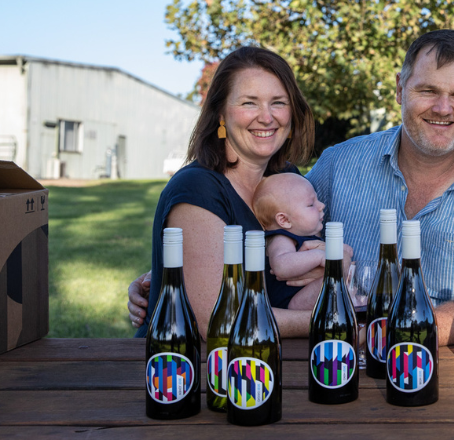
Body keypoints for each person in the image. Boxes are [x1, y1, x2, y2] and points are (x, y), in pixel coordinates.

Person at [305, 29, 454, 345]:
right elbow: (287, 243)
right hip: (340, 363)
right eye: (428, 90)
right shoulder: (338, 165)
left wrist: (393, 339)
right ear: (400, 88)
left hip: (444, 371)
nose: (443, 108)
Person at [128, 46, 320, 338]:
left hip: (265, 365)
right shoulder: (197, 188)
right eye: (249, 103)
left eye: (278, 103)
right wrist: (332, 321)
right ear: (220, 112)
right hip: (194, 371)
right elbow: (219, 320)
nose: (267, 117)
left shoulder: (287, 179)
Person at [251, 172, 353, 310]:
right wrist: (320, 256)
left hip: (307, 298)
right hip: (292, 303)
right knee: (334, 276)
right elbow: (281, 266)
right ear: (284, 220)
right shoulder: (281, 238)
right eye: (311, 204)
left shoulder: (304, 234)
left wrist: (342, 251)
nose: (321, 205)